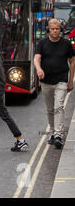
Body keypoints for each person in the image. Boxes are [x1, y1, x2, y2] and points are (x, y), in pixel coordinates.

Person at [34, 18, 75, 149]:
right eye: (52, 29)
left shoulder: (66, 44)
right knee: (50, 109)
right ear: (48, 30)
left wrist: (70, 81)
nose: (55, 31)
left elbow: (72, 61)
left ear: (60, 30)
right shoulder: (42, 43)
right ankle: (52, 132)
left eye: (57, 29)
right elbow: (36, 58)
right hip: (46, 82)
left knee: (59, 107)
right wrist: (39, 69)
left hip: (61, 80)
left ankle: (58, 135)